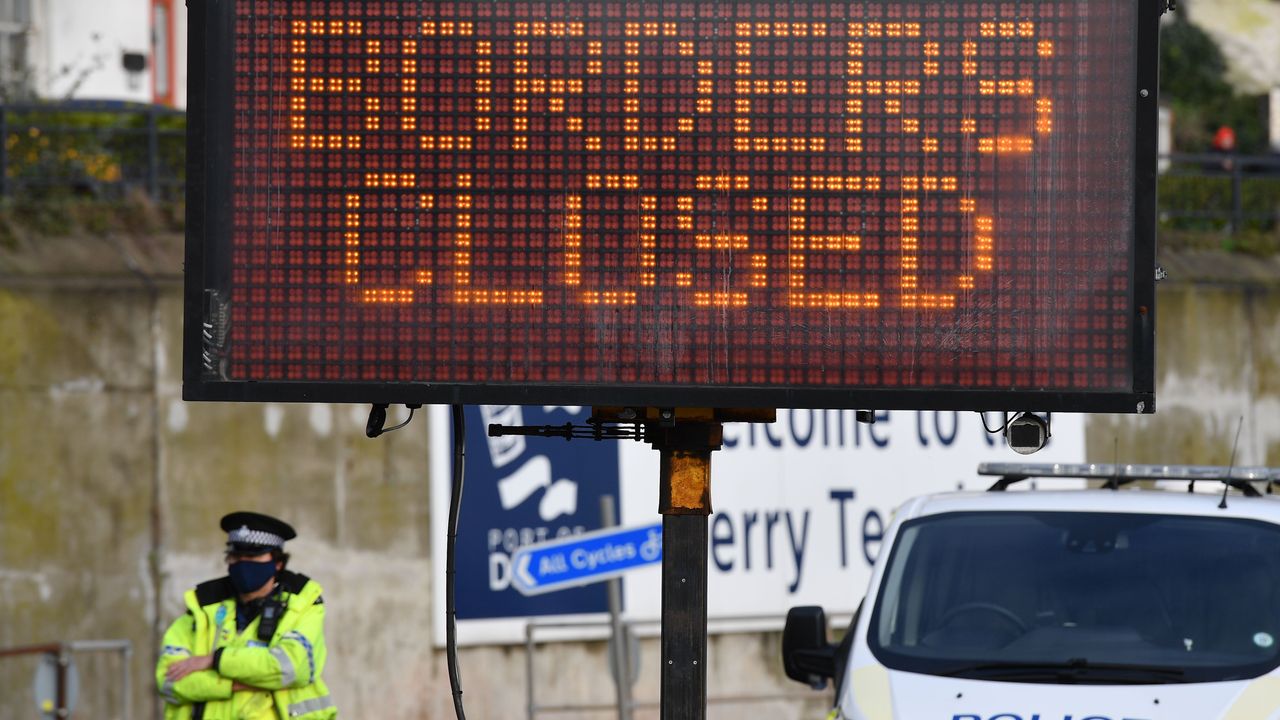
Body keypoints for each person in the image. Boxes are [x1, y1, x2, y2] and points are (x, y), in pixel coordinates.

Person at [156, 512, 337, 719]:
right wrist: (235, 684)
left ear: (277, 562)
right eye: (236, 556)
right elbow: (168, 681)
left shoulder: (304, 603)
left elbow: (291, 667)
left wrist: (214, 660)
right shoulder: (202, 607)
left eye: (252, 557)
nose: (243, 564)